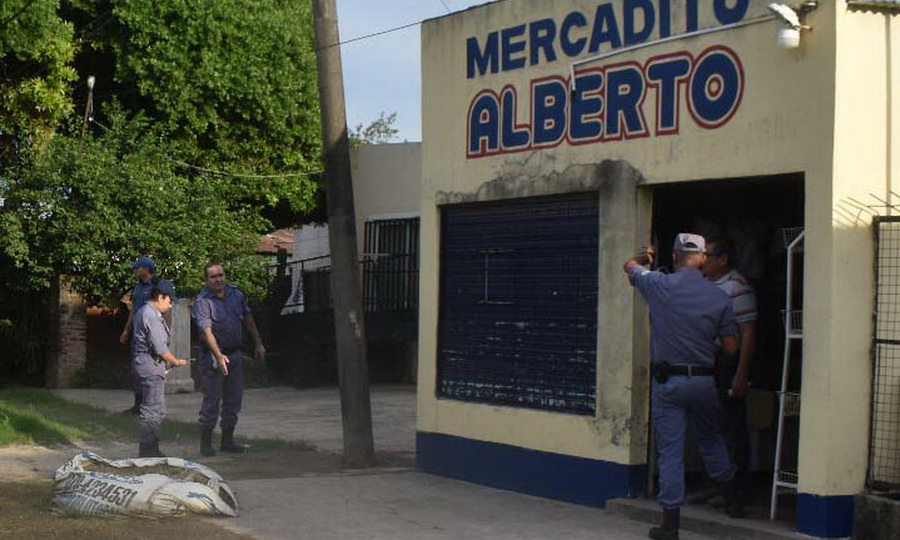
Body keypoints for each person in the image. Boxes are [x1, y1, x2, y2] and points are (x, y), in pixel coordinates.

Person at [624, 233, 743, 540]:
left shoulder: (657, 284)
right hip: (704, 381)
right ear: (703, 258)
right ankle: (733, 501)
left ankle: (670, 525)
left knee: (671, 451)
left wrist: (645, 258)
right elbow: (731, 347)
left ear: (675, 257)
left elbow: (628, 266)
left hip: (670, 382)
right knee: (711, 438)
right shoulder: (719, 297)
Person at [701, 236, 757, 492]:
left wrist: (741, 373)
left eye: (708, 256)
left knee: (731, 425)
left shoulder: (737, 287)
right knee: (711, 425)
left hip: (728, 361)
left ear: (723, 260)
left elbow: (748, 332)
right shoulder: (703, 283)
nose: (703, 261)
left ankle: (735, 490)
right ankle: (714, 485)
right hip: (706, 361)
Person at [192, 263, 266, 457]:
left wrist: (258, 342)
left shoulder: (236, 295)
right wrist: (218, 355)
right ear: (206, 280)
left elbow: (248, 318)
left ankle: (227, 440)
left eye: (221, 275)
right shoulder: (203, 301)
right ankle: (206, 443)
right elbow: (207, 332)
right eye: (213, 277)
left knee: (234, 400)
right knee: (212, 401)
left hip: (234, 355)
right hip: (213, 357)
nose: (218, 279)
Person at [131, 280, 188, 457]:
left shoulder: (147, 312)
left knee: (157, 408)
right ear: (160, 297)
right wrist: (176, 361)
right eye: (169, 300)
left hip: (148, 364)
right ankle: (148, 450)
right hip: (150, 365)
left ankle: (151, 448)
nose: (170, 305)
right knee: (152, 409)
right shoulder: (151, 315)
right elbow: (160, 348)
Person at [119, 256, 157, 415]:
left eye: (137, 267)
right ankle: (138, 405)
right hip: (137, 334)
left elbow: (164, 311)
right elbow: (133, 310)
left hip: (151, 335)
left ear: (146, 269)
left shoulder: (156, 287)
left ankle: (149, 406)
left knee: (149, 371)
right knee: (136, 370)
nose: (134, 270)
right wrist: (126, 330)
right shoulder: (137, 288)